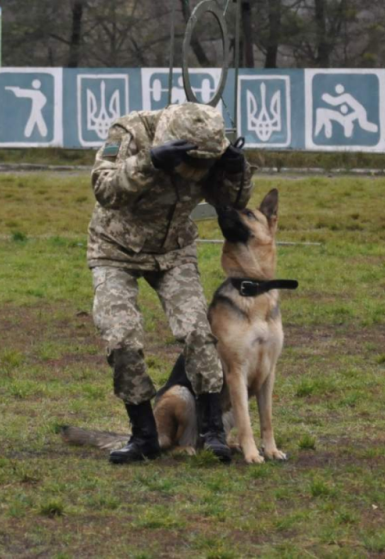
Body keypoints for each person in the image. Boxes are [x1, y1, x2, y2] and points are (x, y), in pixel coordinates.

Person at [87, 102, 255, 464]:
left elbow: (231, 200)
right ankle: (144, 435)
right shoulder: (130, 132)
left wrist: (237, 171)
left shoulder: (208, 147)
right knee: (122, 336)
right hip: (116, 248)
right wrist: (149, 161)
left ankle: (212, 431)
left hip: (174, 249)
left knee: (197, 331)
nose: (194, 169)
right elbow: (104, 189)